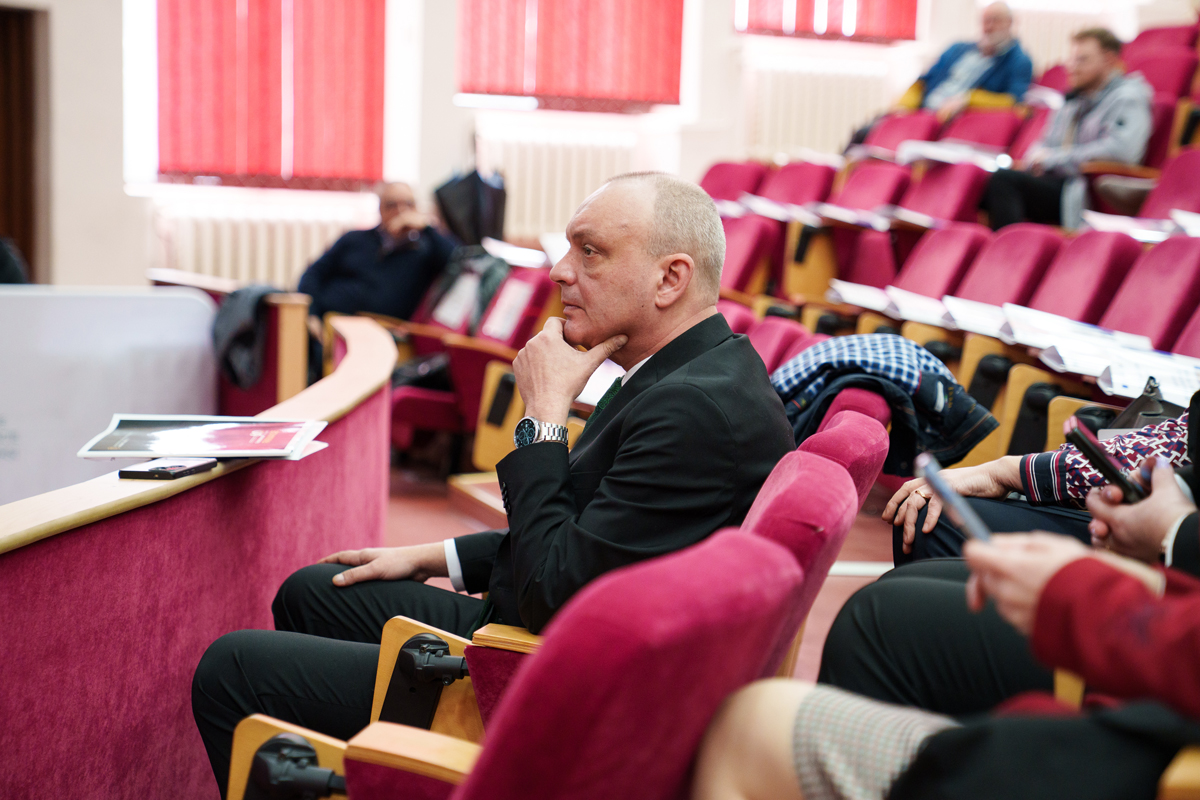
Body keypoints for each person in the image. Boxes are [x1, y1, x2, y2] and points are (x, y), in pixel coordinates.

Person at [192, 172, 796, 796]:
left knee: (231, 668)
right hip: (548, 626)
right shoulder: (690, 370)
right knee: (314, 592)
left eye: (590, 252)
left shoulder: (694, 410)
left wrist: (543, 418)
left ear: (670, 279)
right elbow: (596, 533)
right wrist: (435, 556)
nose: (560, 271)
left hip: (544, 681)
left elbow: (553, 593)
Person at [690, 460, 1200, 800]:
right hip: (1176, 610)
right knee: (898, 589)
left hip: (1156, 731)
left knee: (756, 718)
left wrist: (1082, 593)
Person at [980, 27, 1153, 230]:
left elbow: (1122, 152)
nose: (1072, 67)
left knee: (1004, 182)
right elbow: (1044, 144)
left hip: (1084, 191)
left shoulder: (1128, 98)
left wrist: (1052, 160)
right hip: (1059, 180)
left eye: (1082, 60)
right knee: (985, 184)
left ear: (1108, 60)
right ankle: (1021, 244)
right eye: (1072, 59)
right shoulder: (1074, 99)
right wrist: (1035, 159)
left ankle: (1012, 246)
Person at [297, 182, 455, 320]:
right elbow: (313, 274)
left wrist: (427, 228)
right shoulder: (354, 239)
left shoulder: (424, 250)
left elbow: (458, 260)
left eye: (408, 204)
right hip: (326, 318)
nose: (401, 211)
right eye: (391, 205)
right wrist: (312, 314)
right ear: (380, 210)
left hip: (373, 329)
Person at [904, 2, 1032, 122]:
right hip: (923, 112)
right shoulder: (957, 48)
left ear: (1009, 23)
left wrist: (968, 100)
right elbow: (924, 80)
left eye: (996, 20)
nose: (989, 27)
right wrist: (905, 103)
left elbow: (1014, 101)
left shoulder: (1019, 61)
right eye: (986, 21)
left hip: (956, 120)